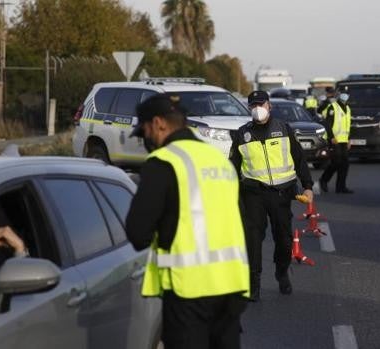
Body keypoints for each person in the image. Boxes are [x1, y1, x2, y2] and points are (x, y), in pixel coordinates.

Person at [125, 94, 250, 349]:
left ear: (158, 123)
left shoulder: (163, 163)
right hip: (231, 288)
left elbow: (138, 233)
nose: (145, 140)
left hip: (188, 293)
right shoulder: (219, 161)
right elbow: (243, 224)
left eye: (144, 131)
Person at [229, 90, 314, 302]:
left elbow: (299, 159)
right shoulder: (241, 134)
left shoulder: (283, 129)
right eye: (254, 105)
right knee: (253, 240)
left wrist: (308, 186)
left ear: (269, 106)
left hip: (282, 194)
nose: (258, 109)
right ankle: (253, 283)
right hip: (253, 194)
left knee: (284, 240)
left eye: (261, 104)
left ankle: (282, 272)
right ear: (249, 108)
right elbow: (232, 168)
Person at [318, 89, 353, 194]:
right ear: (338, 95)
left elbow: (348, 125)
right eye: (343, 93)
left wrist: (349, 139)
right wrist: (331, 137)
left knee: (345, 164)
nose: (345, 95)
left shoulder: (347, 108)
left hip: (344, 140)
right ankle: (323, 180)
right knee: (336, 162)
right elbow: (327, 123)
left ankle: (341, 187)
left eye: (347, 93)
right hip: (335, 140)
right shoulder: (333, 107)